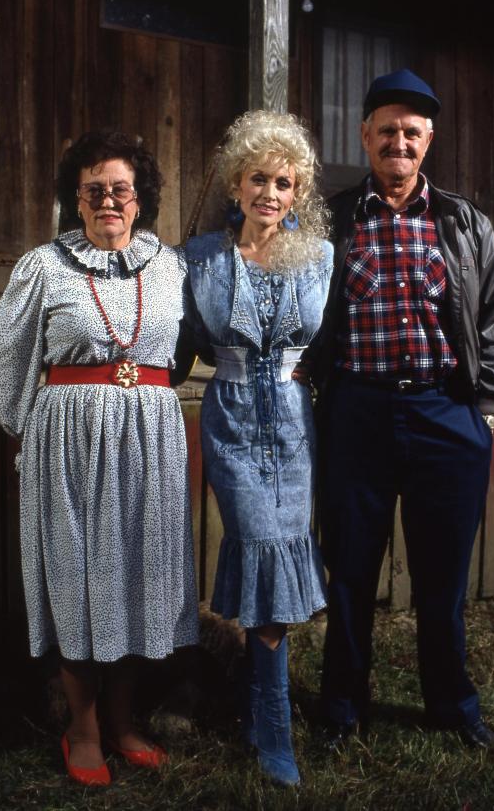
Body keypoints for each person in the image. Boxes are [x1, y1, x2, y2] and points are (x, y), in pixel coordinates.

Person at [0, 130, 199, 786]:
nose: (109, 200)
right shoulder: (44, 267)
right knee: (81, 577)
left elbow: (183, 347)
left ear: (140, 200)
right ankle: (81, 726)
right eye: (94, 190)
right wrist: (38, 434)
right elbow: (3, 364)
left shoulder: (172, 266)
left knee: (136, 573)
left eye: (121, 190)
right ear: (75, 200)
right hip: (70, 448)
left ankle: (124, 717)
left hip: (151, 443)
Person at [314, 69, 494, 752]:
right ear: (365, 136)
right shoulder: (333, 220)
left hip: (445, 413)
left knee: (442, 577)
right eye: (387, 130)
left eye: (412, 132)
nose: (398, 142)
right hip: (357, 415)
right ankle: (342, 709)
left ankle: (453, 706)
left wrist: (482, 409)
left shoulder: (462, 222)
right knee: (350, 572)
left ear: (427, 141)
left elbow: (493, 320)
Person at [183, 110, 333, 786]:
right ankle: (272, 722)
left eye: (283, 181)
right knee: (258, 547)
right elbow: (178, 339)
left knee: (280, 557)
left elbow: (337, 344)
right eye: (257, 179)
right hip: (233, 421)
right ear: (235, 184)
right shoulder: (202, 258)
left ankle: (262, 711)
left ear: (297, 189)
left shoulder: (321, 256)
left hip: (294, 425)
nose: (270, 193)